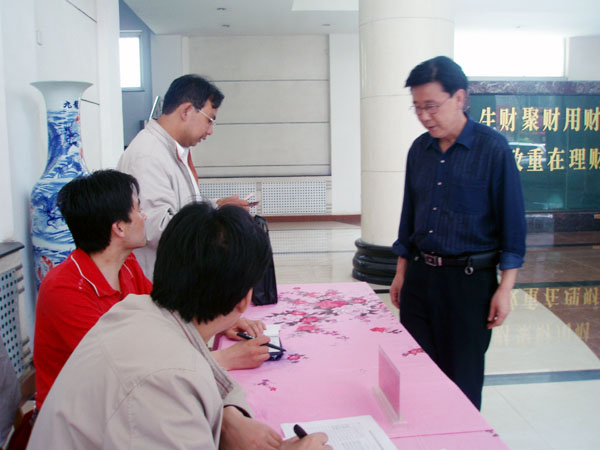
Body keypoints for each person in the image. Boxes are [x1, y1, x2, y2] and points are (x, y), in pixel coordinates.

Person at [28, 203, 331, 450]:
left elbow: (215, 381)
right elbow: (180, 376)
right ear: (244, 300)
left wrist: (230, 417)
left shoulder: (136, 311)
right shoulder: (165, 382)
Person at [33, 170, 271, 413]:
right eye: (138, 210)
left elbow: (167, 315)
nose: (145, 216)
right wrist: (225, 359)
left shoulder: (127, 265)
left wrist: (220, 318)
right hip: (86, 412)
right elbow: (124, 371)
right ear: (119, 228)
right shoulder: (65, 289)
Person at [389, 56, 526, 410]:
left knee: (462, 381)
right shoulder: (419, 150)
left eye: (431, 106)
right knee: (416, 375)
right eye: (417, 107)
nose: (424, 116)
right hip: (420, 278)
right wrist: (402, 272)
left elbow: (513, 224)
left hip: (469, 284)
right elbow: (409, 215)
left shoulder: (493, 149)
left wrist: (505, 289)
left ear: (460, 98)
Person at [117, 74, 249, 281]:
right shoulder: (148, 155)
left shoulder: (170, 150)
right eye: (209, 120)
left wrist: (217, 206)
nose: (210, 131)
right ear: (186, 111)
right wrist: (217, 226)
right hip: (160, 281)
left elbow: (182, 208)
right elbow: (156, 229)